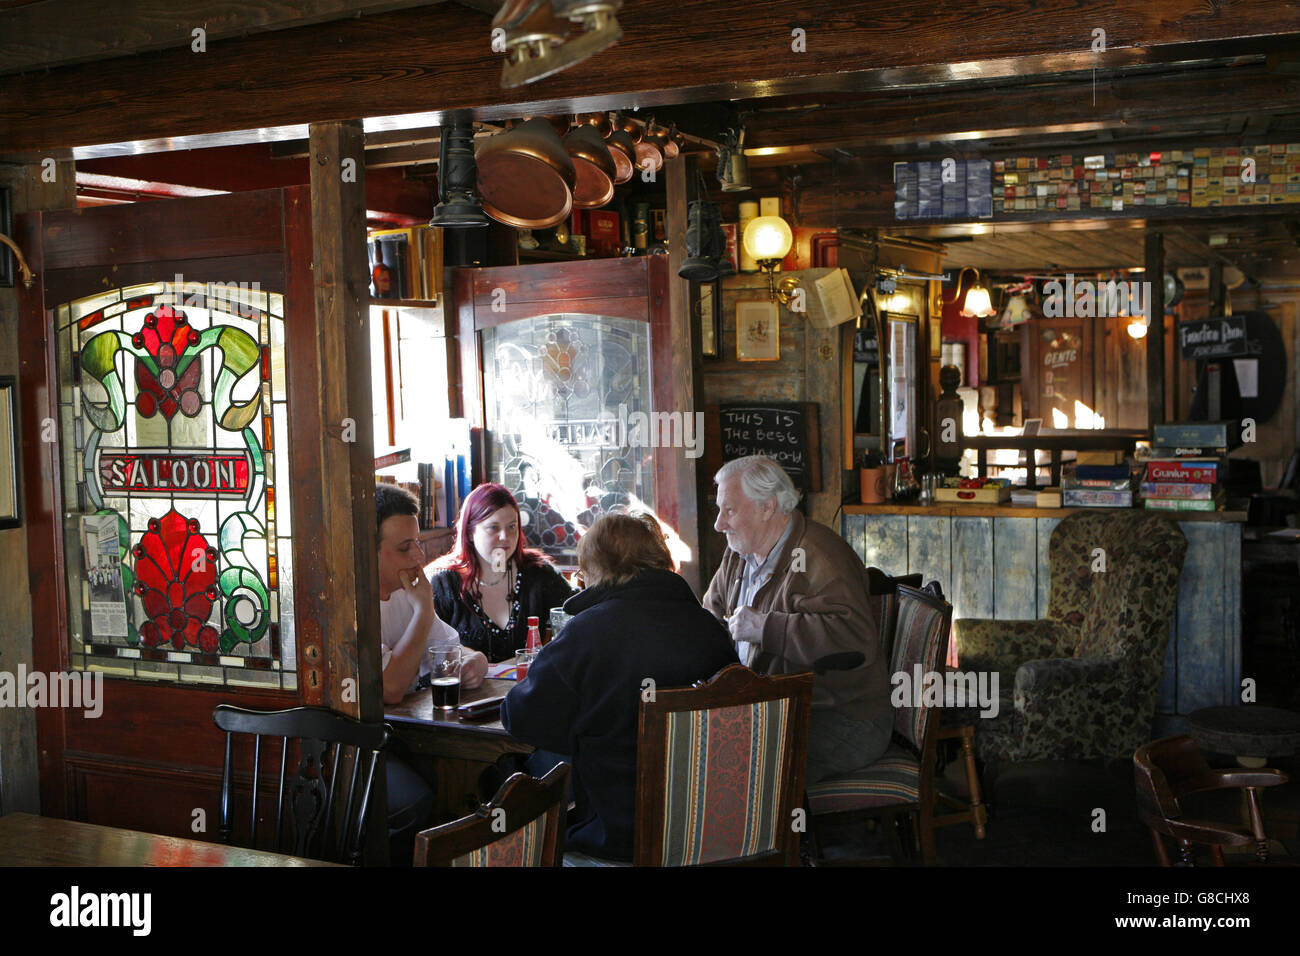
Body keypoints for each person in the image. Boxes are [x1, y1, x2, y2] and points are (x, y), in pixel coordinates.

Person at [502, 513, 737, 864]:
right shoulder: (709, 627)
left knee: (511, 774)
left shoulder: (588, 632)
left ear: (596, 569)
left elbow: (521, 719)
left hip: (619, 841)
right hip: (709, 830)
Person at [701, 455, 891, 785]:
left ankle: (780, 835)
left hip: (842, 718)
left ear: (767, 507)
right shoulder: (738, 554)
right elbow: (709, 618)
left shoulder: (819, 556)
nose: (719, 524)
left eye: (729, 510)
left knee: (736, 766)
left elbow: (855, 640)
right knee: (693, 746)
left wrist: (765, 628)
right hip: (772, 710)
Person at [375, 483, 488, 863]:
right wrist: (424, 611)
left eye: (418, 543)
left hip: (404, 735)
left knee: (477, 778)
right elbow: (390, 687)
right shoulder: (350, 603)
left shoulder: (409, 592)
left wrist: (475, 662)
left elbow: (454, 650)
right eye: (404, 548)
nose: (419, 556)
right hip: (349, 745)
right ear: (367, 551)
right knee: (420, 798)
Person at [428, 483, 575, 664]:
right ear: (470, 532)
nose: (505, 537)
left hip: (527, 688)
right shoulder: (442, 583)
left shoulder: (539, 573)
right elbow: (428, 647)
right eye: (494, 528)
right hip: (464, 691)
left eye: (512, 527)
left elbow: (578, 617)